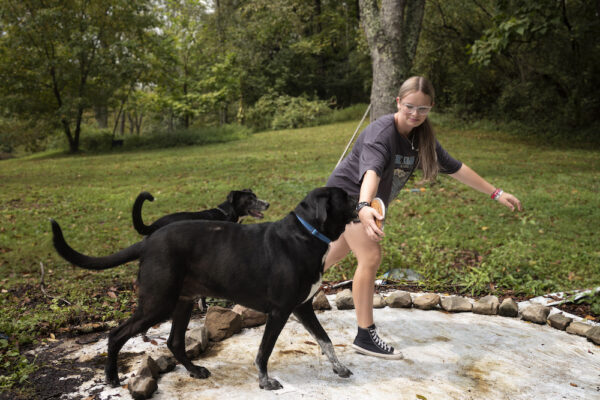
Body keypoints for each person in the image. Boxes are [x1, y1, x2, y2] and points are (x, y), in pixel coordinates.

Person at [324, 76, 522, 359]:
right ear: (398, 102)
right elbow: (372, 173)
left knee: (331, 254)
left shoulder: (421, 138)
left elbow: (455, 168)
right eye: (409, 107)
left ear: (431, 108)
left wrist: (496, 192)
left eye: (423, 109)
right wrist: (364, 206)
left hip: (363, 204)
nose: (415, 114)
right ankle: (364, 335)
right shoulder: (382, 134)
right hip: (346, 198)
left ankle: (291, 296)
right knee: (370, 257)